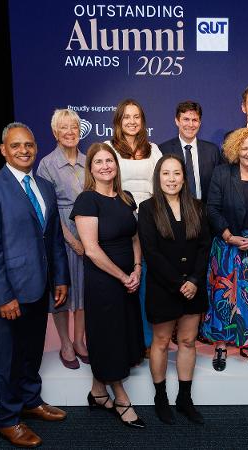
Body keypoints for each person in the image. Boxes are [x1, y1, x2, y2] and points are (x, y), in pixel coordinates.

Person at [0, 122, 69, 447]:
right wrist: (3, 296)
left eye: (29, 144)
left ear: (36, 148)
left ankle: (30, 401)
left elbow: (54, 239)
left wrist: (60, 278)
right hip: (9, 292)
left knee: (32, 349)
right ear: (3, 150)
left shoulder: (45, 186)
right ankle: (8, 419)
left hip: (39, 286)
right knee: (10, 357)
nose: (23, 150)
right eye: (16, 145)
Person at [70, 142, 146, 429]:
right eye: (98, 162)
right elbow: (91, 250)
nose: (105, 166)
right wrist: (123, 277)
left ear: (116, 165)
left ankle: (98, 392)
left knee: (118, 334)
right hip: (104, 281)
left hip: (129, 279)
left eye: (109, 160)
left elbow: (134, 238)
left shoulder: (126, 197)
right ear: (90, 169)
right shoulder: (87, 200)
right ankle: (122, 399)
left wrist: (136, 268)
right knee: (109, 337)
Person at [138, 154, 210, 425]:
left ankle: (184, 399)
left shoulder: (197, 207)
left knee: (188, 341)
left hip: (194, 286)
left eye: (176, 173)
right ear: (158, 177)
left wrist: (194, 280)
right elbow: (151, 253)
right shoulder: (147, 209)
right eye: (166, 173)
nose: (171, 179)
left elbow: (204, 247)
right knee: (160, 342)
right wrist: (179, 283)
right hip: (163, 287)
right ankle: (161, 398)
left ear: (184, 178)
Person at [201, 127, 248, 371]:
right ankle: (221, 345)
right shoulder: (222, 173)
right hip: (226, 246)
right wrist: (228, 236)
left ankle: (247, 343)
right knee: (223, 296)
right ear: (236, 149)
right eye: (245, 148)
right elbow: (212, 208)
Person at [106, 98, 163, 353]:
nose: (131, 121)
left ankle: (148, 341)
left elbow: (161, 186)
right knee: (122, 282)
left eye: (136, 116)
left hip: (150, 222)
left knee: (146, 283)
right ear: (118, 121)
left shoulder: (154, 149)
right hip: (120, 221)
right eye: (126, 117)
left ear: (143, 121)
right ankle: (125, 341)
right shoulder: (108, 148)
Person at [36, 108, 88, 370]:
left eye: (74, 127)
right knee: (62, 291)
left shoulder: (89, 160)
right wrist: (73, 241)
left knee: (85, 291)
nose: (70, 132)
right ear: (55, 133)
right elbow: (49, 210)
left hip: (88, 231)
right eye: (64, 127)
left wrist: (89, 239)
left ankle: (79, 341)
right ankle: (65, 343)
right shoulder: (46, 164)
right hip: (60, 235)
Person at [159, 101, 222, 202]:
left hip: (205, 209)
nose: (190, 124)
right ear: (177, 121)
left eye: (195, 120)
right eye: (186, 119)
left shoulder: (212, 151)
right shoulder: (163, 150)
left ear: (200, 123)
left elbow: (219, 186)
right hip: (174, 208)